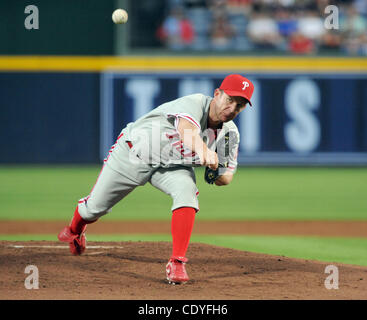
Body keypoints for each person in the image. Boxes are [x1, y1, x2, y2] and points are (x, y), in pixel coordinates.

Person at [58, 74, 254, 285]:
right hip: (133, 154)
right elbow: (187, 132)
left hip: (173, 166)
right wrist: (203, 150)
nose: (233, 108)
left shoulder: (229, 134)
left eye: (240, 105)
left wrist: (218, 176)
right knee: (93, 209)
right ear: (217, 94)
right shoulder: (195, 103)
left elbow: (226, 177)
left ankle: (177, 262)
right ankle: (74, 230)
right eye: (230, 100)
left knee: (187, 192)